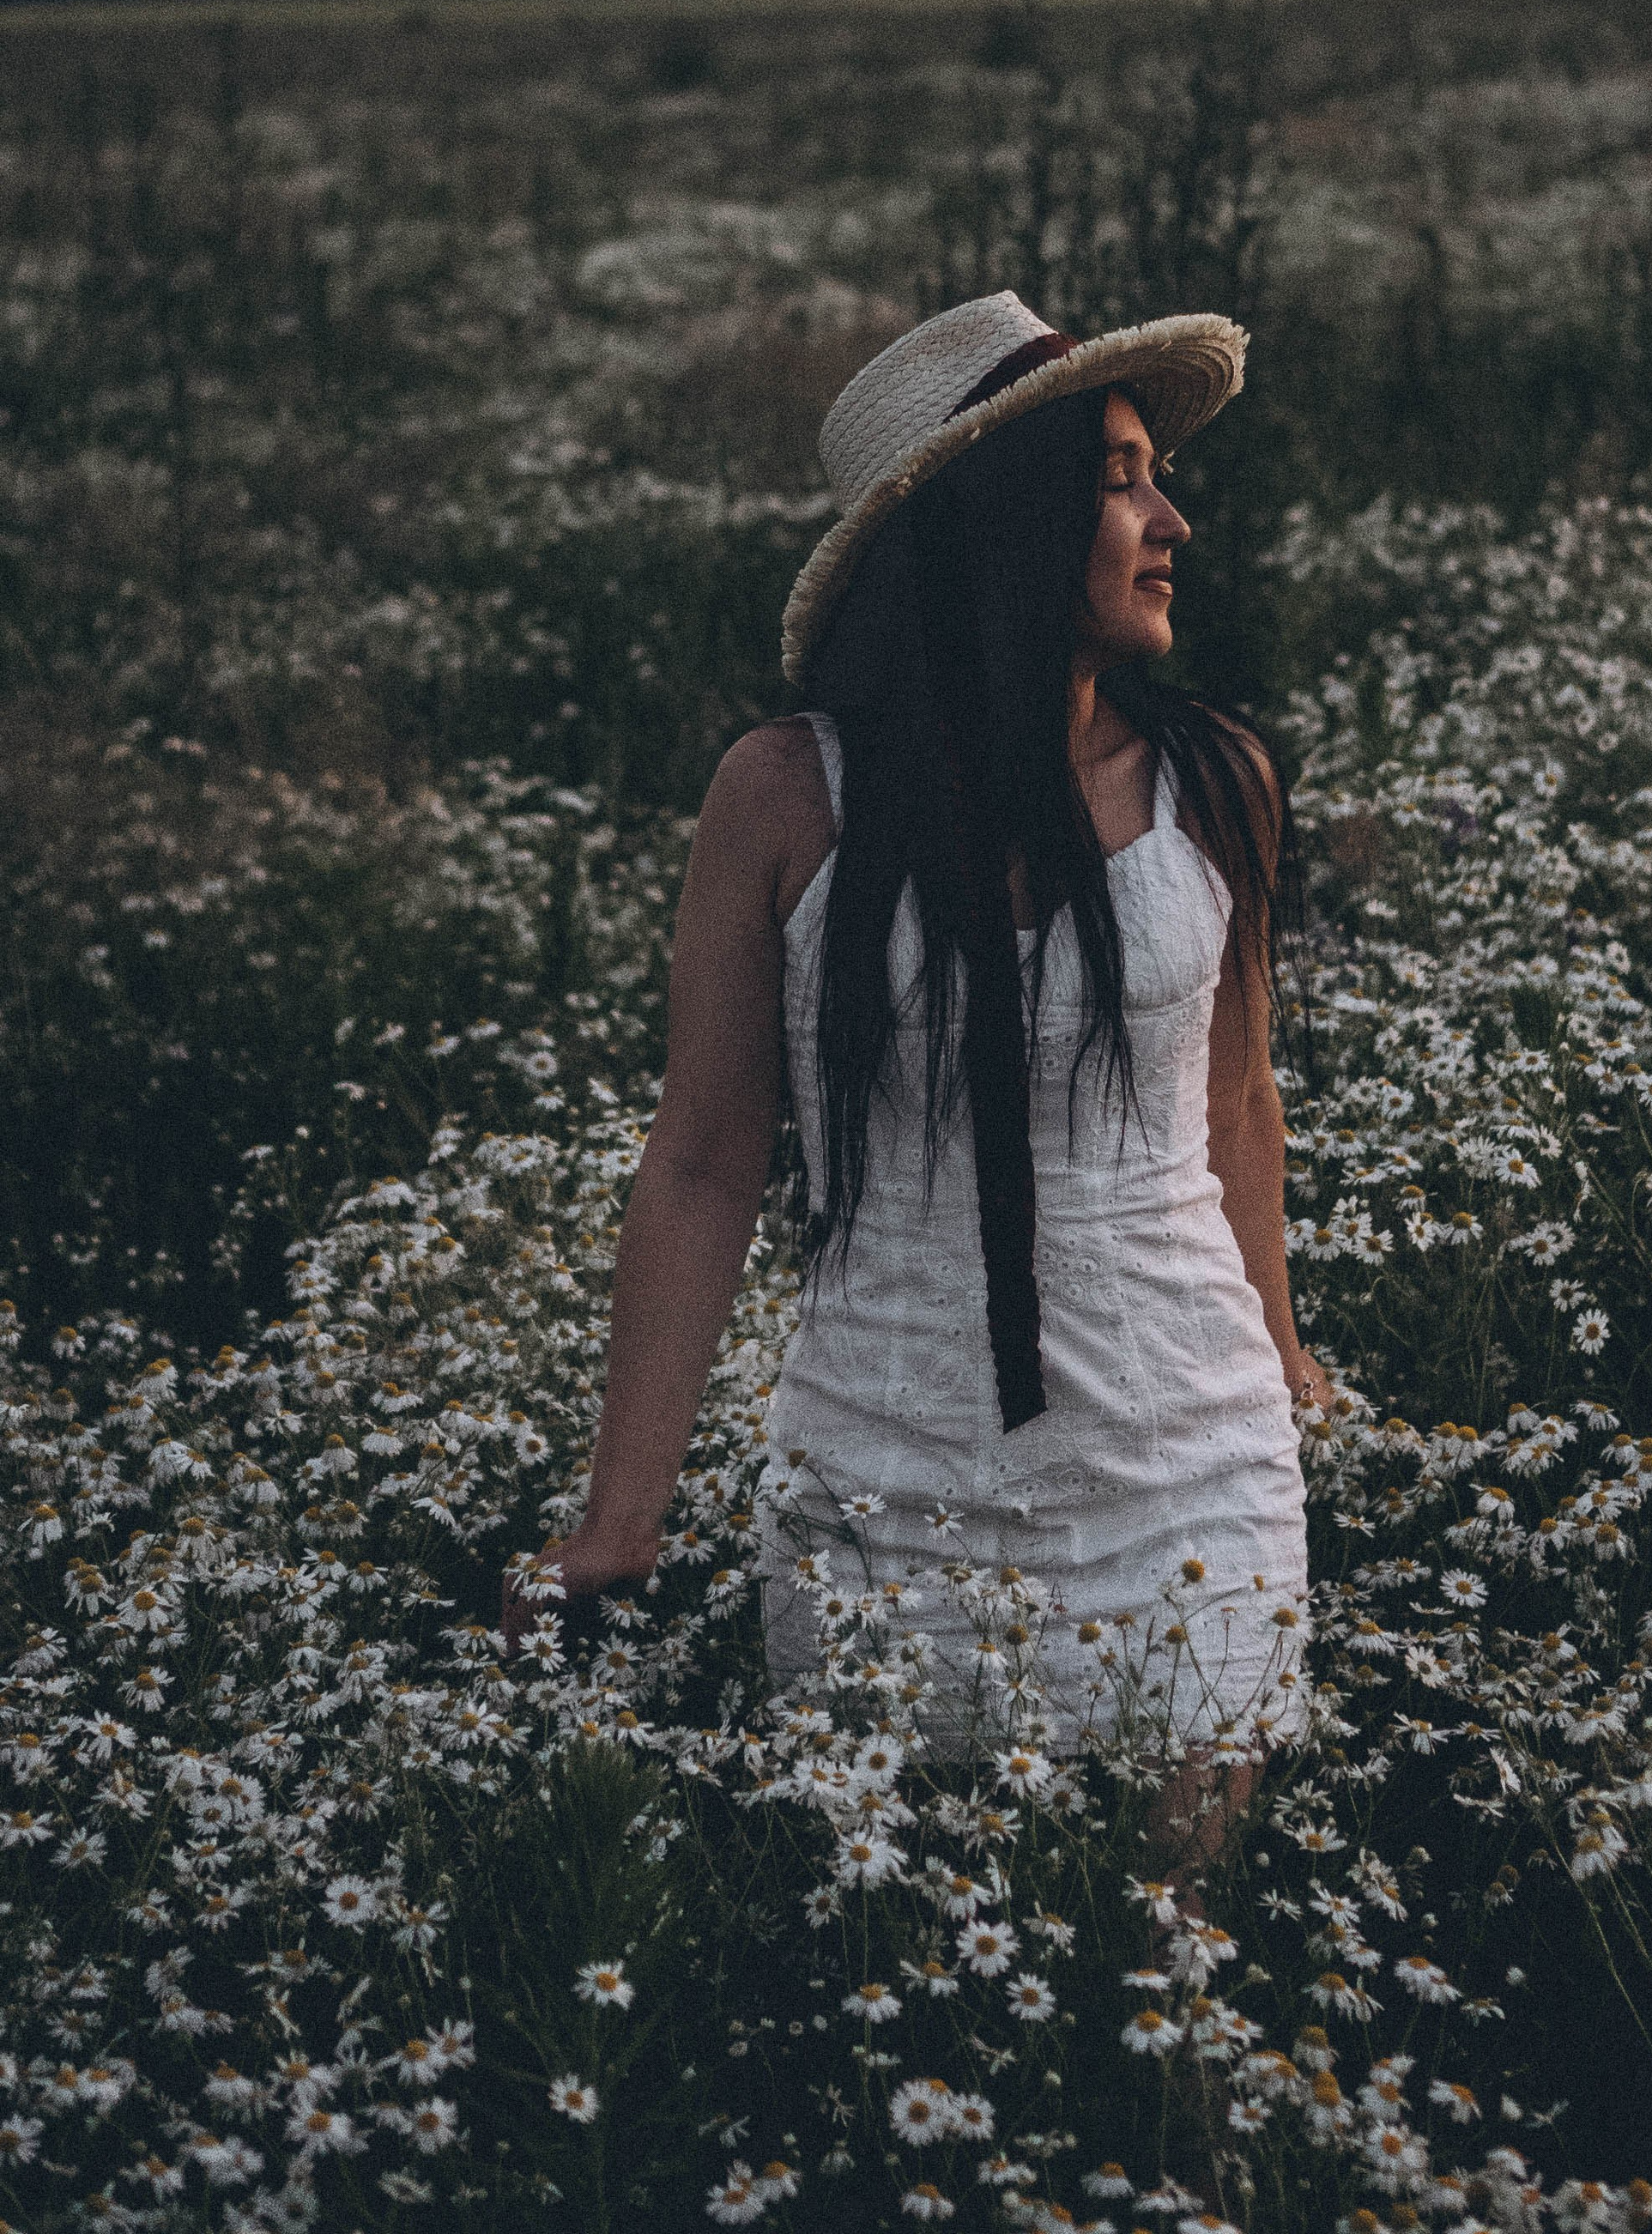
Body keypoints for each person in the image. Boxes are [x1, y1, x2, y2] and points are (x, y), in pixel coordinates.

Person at [505, 290, 1333, 1875]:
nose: (1172, 520)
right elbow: (703, 1160)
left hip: (1193, 1470)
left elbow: (1237, 1114)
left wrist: (1289, 1363)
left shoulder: (1217, 783)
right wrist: (623, 1517)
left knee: (1173, 1974)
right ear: (1002, 525)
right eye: (1119, 479)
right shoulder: (788, 795)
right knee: (906, 1962)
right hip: (888, 1465)